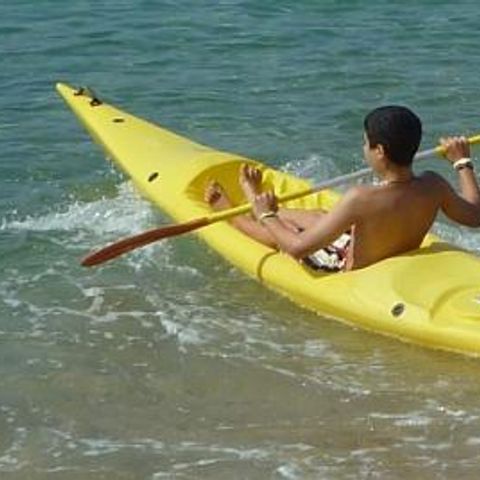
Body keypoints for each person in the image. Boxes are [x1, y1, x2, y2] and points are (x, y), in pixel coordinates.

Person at [205, 106, 480, 271]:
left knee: (284, 233)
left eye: (365, 143)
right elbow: (474, 216)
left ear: (379, 151)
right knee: (319, 216)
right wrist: (462, 162)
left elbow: (297, 249)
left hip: (345, 267)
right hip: (383, 250)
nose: (364, 148)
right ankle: (265, 208)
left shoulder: (361, 198)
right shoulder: (433, 185)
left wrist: (266, 215)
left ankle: (239, 215)